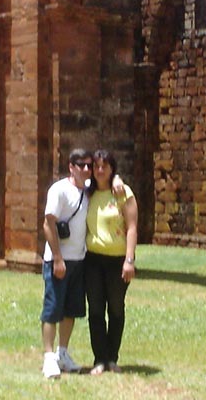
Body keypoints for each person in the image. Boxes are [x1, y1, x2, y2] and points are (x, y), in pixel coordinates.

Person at [40, 148, 93, 379]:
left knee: (71, 310)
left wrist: (118, 180)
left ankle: (63, 352)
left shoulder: (89, 191)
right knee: (53, 309)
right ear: (71, 166)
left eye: (89, 165)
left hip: (78, 260)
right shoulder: (59, 190)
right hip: (58, 260)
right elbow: (48, 224)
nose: (86, 169)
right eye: (81, 165)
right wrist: (58, 258)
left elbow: (111, 179)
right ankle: (49, 357)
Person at [83, 148, 137, 374]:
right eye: (96, 166)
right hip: (93, 260)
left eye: (105, 166)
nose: (100, 170)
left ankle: (112, 357)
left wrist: (129, 260)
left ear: (112, 168)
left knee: (115, 309)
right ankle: (99, 359)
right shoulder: (87, 193)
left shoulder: (123, 192)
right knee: (95, 310)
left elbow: (132, 227)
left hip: (117, 260)